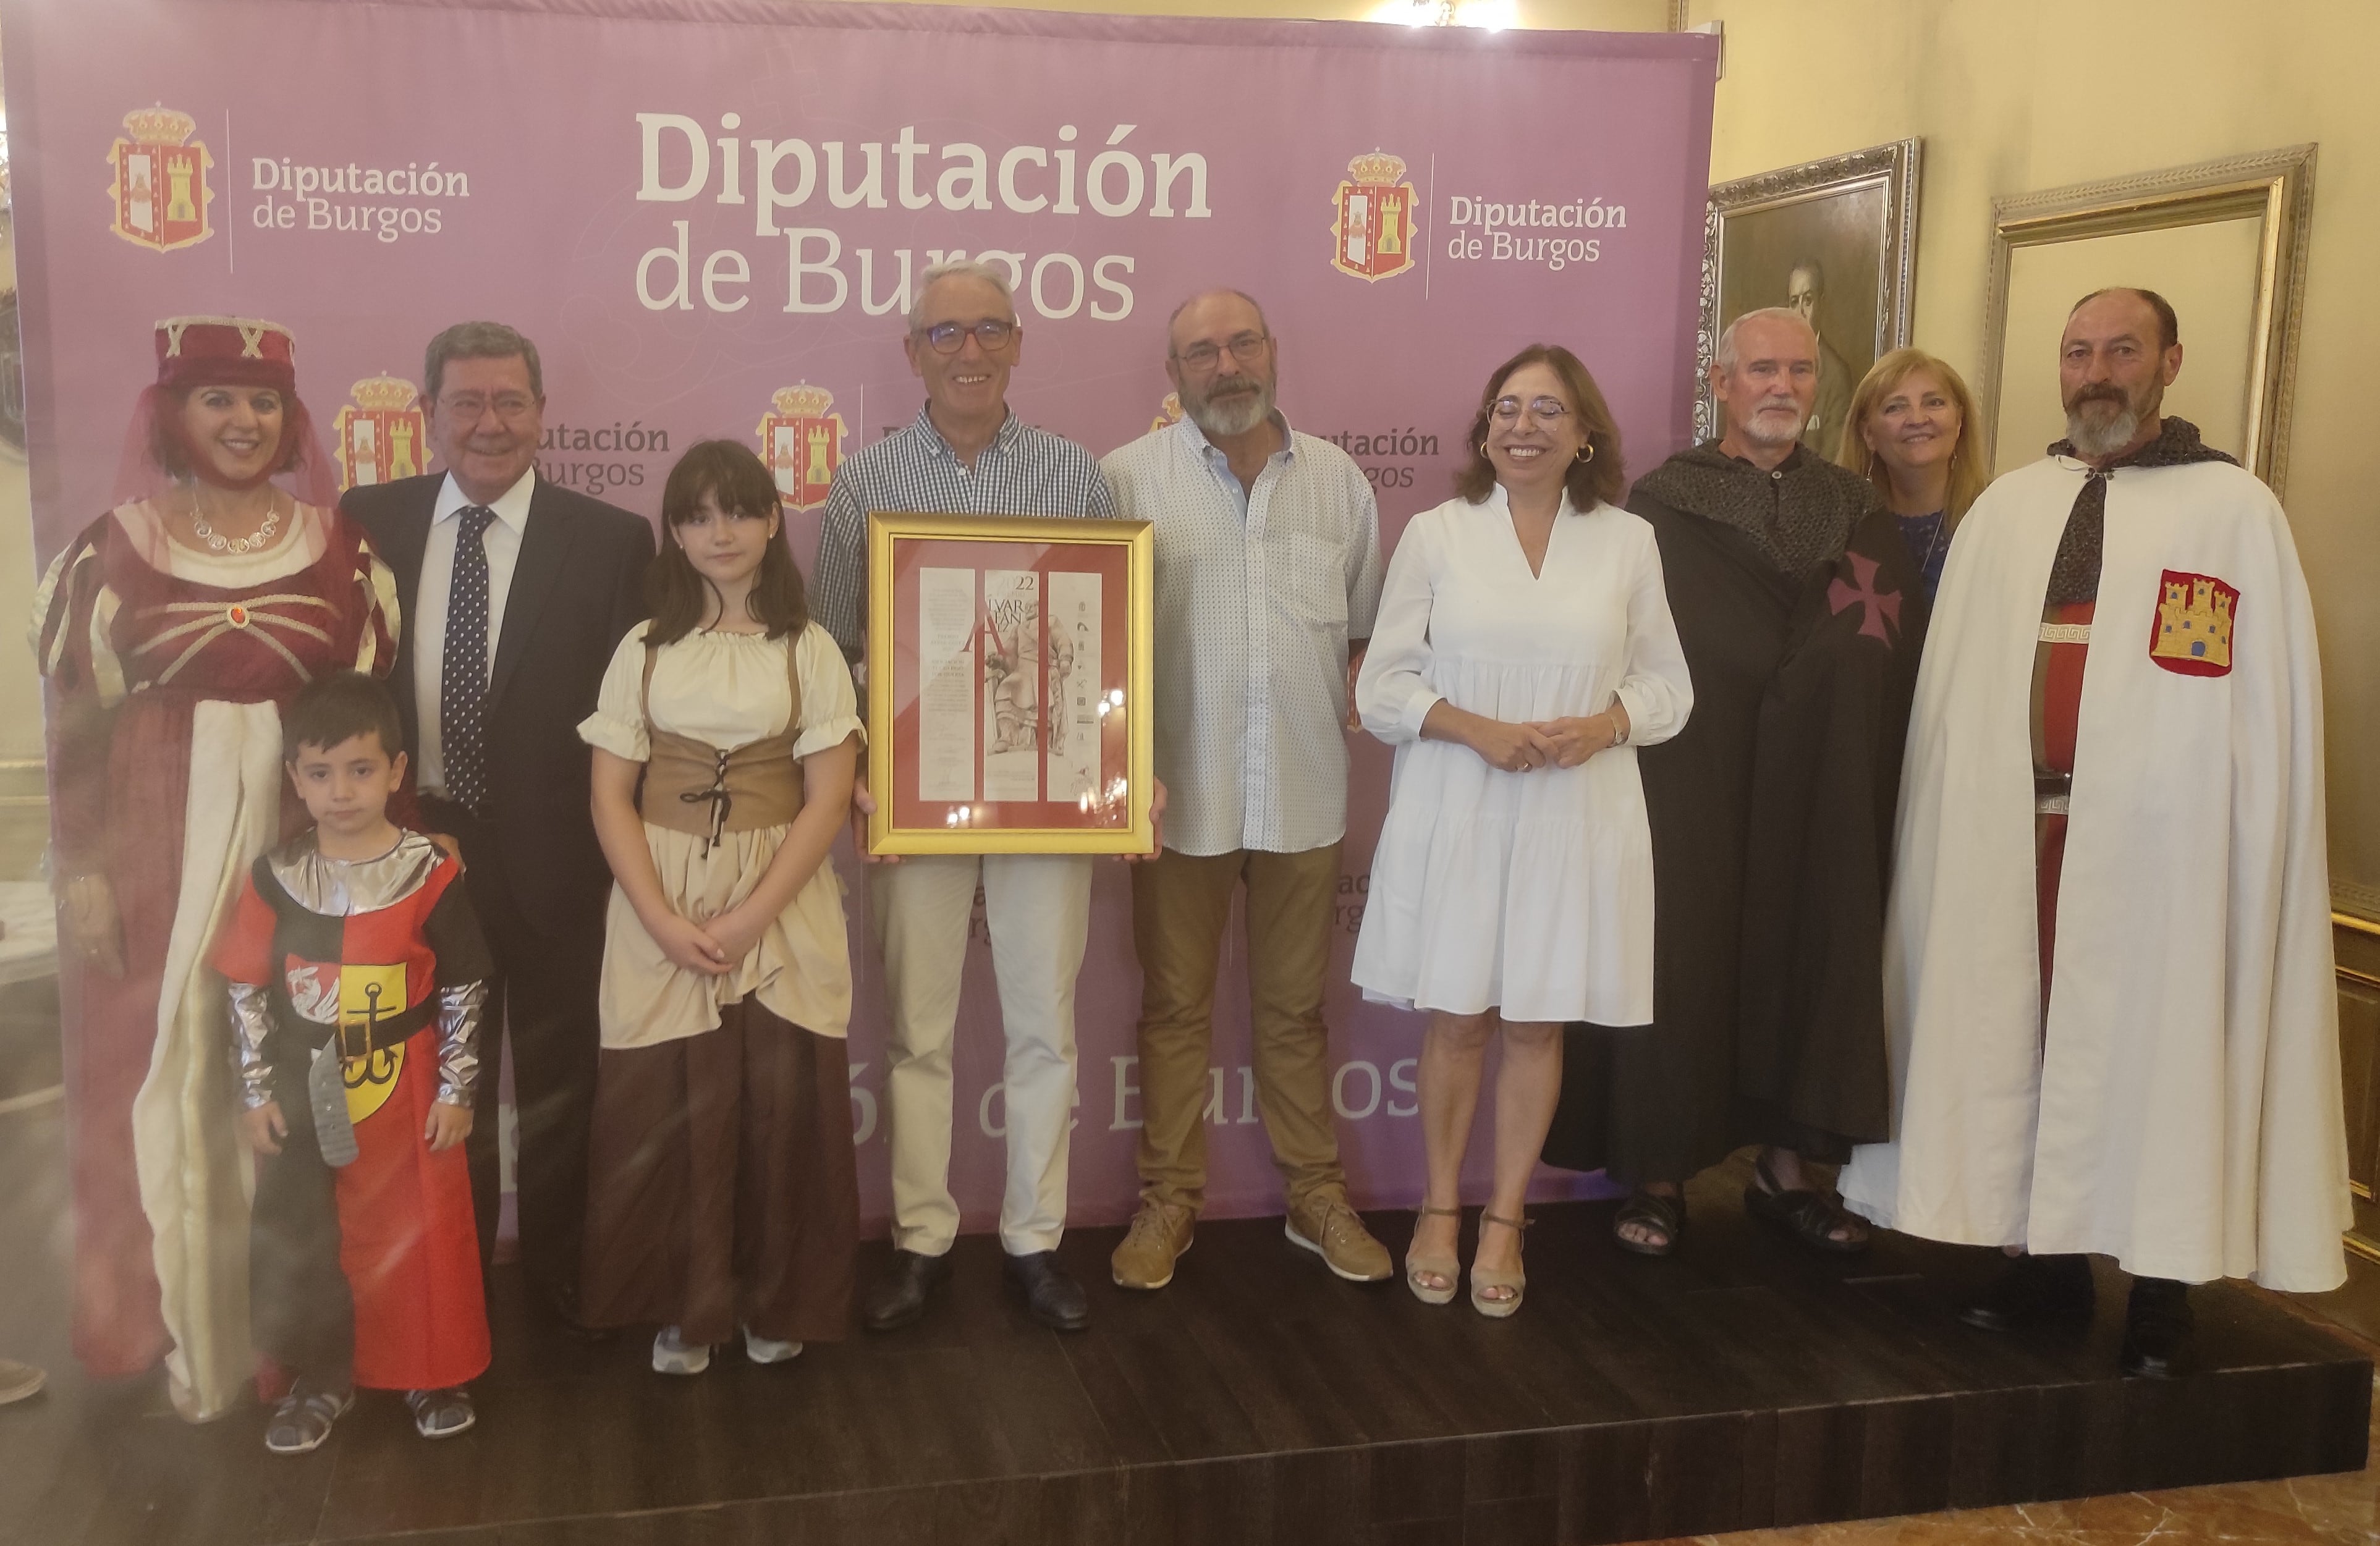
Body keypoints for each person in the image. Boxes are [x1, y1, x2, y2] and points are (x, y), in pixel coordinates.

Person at [1840, 288, 2348, 1377]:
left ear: (2170, 359)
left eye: (2122, 349)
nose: (2097, 370)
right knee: (2020, 1038)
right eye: (2078, 352)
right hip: (2010, 835)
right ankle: (2043, 1263)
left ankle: (2161, 1284)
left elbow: (2256, 703)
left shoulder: (2233, 512)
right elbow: (1952, 702)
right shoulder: (2012, 509)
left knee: (2154, 1053)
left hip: (2162, 850)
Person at [33, 315, 400, 1421]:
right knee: (170, 1071)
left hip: (300, 833)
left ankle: (293, 1342)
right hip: (152, 840)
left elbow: (375, 718)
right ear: (172, 413)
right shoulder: (113, 548)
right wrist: (86, 864)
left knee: (295, 1077)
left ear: (291, 419)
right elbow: (75, 723)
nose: (243, 421)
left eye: (264, 401)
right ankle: (184, 1331)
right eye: (217, 398)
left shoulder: (342, 553)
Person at [1541, 308, 1928, 1259]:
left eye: (1798, 371)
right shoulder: (1662, 505)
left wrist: (1809, 701)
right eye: (1761, 370)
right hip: (1689, 769)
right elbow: (1619, 632)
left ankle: (1785, 1171)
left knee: (1812, 946)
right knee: (1681, 957)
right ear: (1721, 383)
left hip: (1816, 777)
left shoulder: (1851, 504)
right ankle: (1662, 1173)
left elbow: (1876, 637)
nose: (1782, 388)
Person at [811, 260, 1118, 1333]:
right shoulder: (863, 483)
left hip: (1050, 795)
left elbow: (1108, 645)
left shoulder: (1081, 479)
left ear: (1020, 343)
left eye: (989, 330)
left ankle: (1036, 1240)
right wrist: (858, 782)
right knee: (917, 1033)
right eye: (946, 334)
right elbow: (839, 652)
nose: (969, 352)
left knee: (1045, 1026)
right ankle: (922, 1239)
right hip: (913, 801)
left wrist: (1124, 766)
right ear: (912, 354)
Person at [1353, 345, 1692, 1316]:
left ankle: (1503, 1216)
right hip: (1460, 803)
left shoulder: (1627, 542)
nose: (1523, 427)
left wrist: (1603, 722)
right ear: (1482, 428)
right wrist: (1475, 727)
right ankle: (1437, 1210)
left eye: (1548, 410)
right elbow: (1381, 688)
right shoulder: (1435, 534)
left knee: (1536, 1020)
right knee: (1458, 1016)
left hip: (1573, 811)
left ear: (1584, 434)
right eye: (1506, 407)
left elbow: (1669, 687)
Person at [342, 323, 655, 1332]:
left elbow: (632, 722)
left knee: (563, 1086)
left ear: (542, 412)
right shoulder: (366, 523)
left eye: (510, 402)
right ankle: (452, 1273)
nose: (489, 424)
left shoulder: (610, 541)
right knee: (431, 1086)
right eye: (467, 402)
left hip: (561, 866)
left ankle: (562, 1273)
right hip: (415, 865)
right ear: (431, 412)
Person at [1098, 290, 1391, 1292]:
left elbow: (1360, 638)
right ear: (1172, 373)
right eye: (1199, 352)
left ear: (1272, 349)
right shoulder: (1124, 479)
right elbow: (1091, 645)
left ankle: (1316, 1194)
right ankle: (1168, 1200)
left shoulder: (1341, 483)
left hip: (1305, 787)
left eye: (1240, 343)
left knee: (1294, 1010)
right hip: (1178, 797)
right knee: (1174, 1006)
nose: (1224, 365)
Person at [577, 442, 862, 1375]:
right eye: (697, 515)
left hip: (779, 895)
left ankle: (776, 1296)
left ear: (773, 521)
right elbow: (609, 794)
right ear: (675, 531)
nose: (720, 532)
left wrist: (750, 917)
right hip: (660, 894)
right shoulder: (643, 647)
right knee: (673, 1104)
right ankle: (685, 1304)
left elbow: (827, 799)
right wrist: (659, 917)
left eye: (738, 511)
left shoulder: (809, 647)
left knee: (778, 1102)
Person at [215, 671, 493, 1452]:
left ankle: (429, 1372)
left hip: (407, 1088)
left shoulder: (428, 871)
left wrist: (457, 1087)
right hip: (308, 1092)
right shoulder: (275, 877)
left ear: (397, 773)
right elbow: (244, 987)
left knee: (417, 1235)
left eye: (361, 770)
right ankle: (319, 1380)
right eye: (321, 772)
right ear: (295, 779)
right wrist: (255, 1089)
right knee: (312, 1236)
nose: (341, 791)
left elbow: (467, 981)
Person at [1834, 348, 1989, 601]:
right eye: (1895, 407)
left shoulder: (1996, 518)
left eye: (1934, 402)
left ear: (1960, 421)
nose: (1917, 419)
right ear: (1868, 434)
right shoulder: (1842, 528)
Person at [1785, 262, 1858, 456]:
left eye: (1808, 300)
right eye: (1794, 302)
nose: (1800, 312)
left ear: (1821, 303)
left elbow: (1834, 459)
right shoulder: (1775, 366)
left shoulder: (1836, 375)